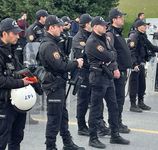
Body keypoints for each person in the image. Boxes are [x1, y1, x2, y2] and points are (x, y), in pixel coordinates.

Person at [38, 15, 85, 150]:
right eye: (58, 26)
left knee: (62, 116)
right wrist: (76, 63)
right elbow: (60, 66)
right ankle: (50, 146)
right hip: (54, 85)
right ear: (51, 27)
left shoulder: (54, 43)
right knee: (54, 118)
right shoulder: (49, 45)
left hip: (58, 84)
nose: (61, 28)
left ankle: (67, 142)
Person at [86, 16, 130, 149]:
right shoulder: (93, 41)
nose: (105, 26)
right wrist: (111, 57)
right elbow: (109, 55)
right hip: (98, 77)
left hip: (108, 76)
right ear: (95, 27)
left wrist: (114, 66)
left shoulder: (105, 38)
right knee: (96, 109)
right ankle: (93, 138)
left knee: (113, 106)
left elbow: (113, 54)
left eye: (105, 25)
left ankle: (115, 135)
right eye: (102, 25)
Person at [0, 18, 34, 150]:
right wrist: (21, 82)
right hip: (4, 103)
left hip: (17, 102)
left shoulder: (11, 49)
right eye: (14, 33)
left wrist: (33, 77)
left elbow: (19, 69)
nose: (17, 35)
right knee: (2, 138)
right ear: (4, 34)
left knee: (17, 136)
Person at [128, 20, 158, 113]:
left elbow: (152, 47)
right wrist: (134, 64)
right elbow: (131, 51)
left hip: (142, 63)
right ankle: (133, 104)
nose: (145, 27)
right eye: (143, 25)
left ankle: (140, 102)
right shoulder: (134, 36)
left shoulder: (143, 36)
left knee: (142, 85)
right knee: (134, 85)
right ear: (139, 27)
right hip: (137, 64)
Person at [107, 8, 132, 133]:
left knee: (120, 99)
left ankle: (117, 122)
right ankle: (115, 124)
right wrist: (115, 68)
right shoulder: (111, 33)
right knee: (117, 99)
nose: (123, 19)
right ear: (114, 19)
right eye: (121, 17)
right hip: (117, 72)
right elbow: (111, 53)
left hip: (123, 70)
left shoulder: (118, 32)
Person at [71, 13, 92, 136]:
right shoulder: (78, 37)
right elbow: (81, 55)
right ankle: (81, 126)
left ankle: (95, 124)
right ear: (86, 24)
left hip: (91, 72)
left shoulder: (89, 36)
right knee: (83, 100)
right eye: (91, 23)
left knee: (91, 100)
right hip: (82, 72)